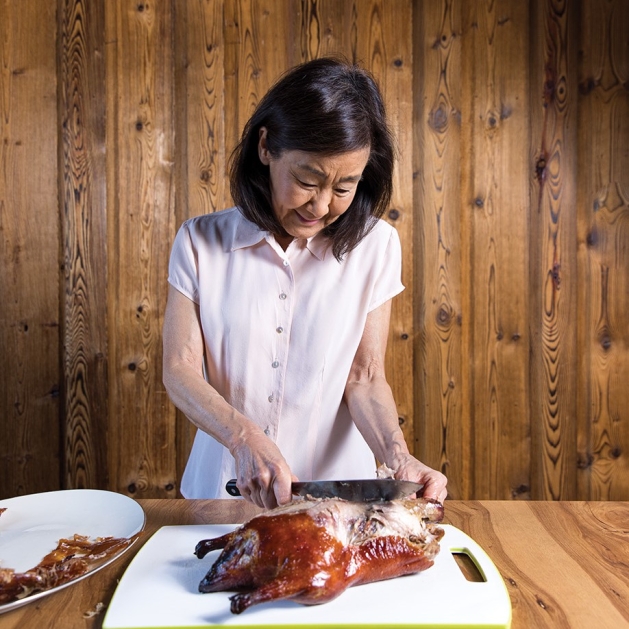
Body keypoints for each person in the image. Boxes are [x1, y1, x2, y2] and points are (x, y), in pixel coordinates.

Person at [162, 56, 447, 509]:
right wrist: (243, 438)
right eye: (307, 180)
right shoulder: (199, 241)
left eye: (343, 187)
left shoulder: (375, 245)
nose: (320, 205)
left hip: (340, 499)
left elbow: (365, 377)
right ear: (265, 147)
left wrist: (399, 458)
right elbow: (179, 369)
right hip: (224, 493)